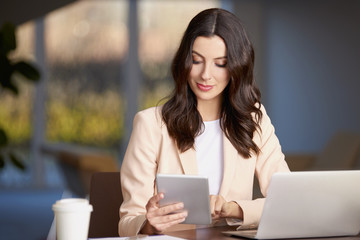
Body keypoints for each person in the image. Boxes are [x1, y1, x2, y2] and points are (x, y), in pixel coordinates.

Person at [118, 8, 290, 237]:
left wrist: (235, 209)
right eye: (197, 61)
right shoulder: (150, 124)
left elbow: (287, 201)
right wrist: (149, 223)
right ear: (184, 61)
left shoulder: (253, 119)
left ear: (237, 67)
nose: (205, 75)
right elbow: (128, 221)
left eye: (220, 63)